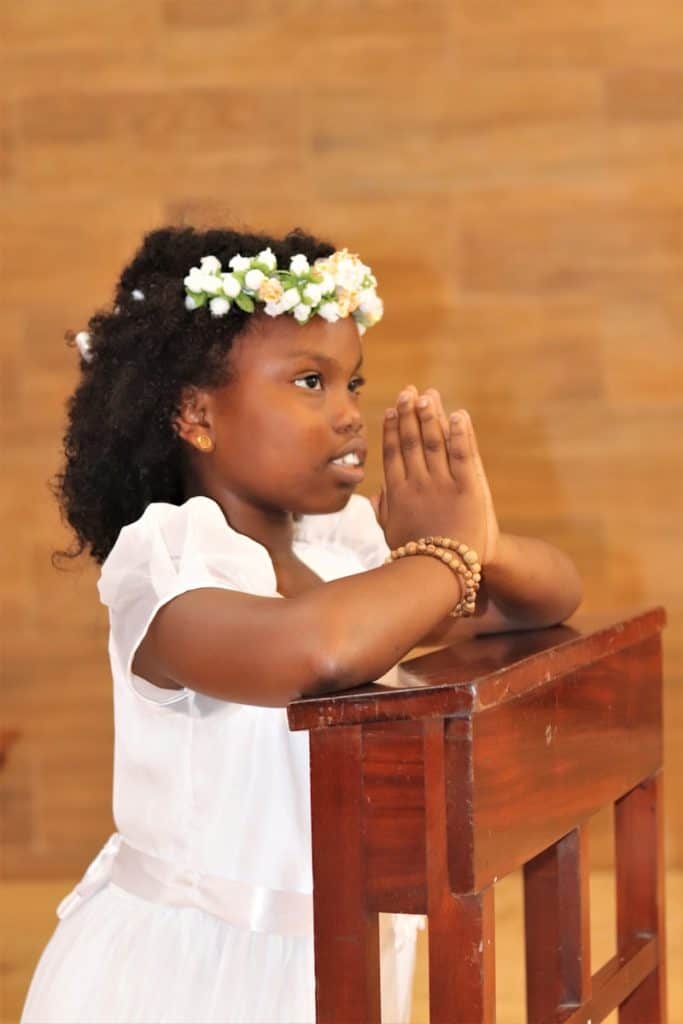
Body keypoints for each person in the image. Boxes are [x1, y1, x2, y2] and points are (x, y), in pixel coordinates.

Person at [21, 225, 583, 1024]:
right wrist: (442, 554)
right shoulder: (170, 560)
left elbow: (549, 597)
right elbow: (314, 651)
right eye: (310, 382)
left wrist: (475, 542)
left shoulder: (345, 546)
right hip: (189, 974)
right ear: (194, 414)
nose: (350, 415)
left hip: (336, 951)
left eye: (354, 384)